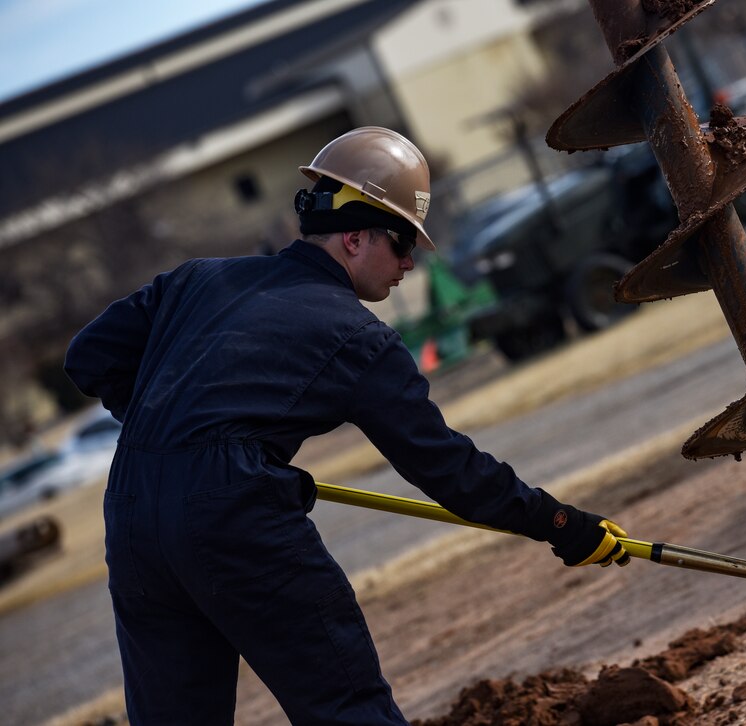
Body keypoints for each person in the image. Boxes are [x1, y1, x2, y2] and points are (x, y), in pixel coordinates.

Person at [65, 126, 630, 725]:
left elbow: (89, 358)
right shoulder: (358, 337)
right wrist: (560, 523)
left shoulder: (196, 280)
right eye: (403, 240)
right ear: (355, 237)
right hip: (232, 523)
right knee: (346, 711)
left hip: (131, 510)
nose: (411, 262)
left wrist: (175, 437)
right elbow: (447, 467)